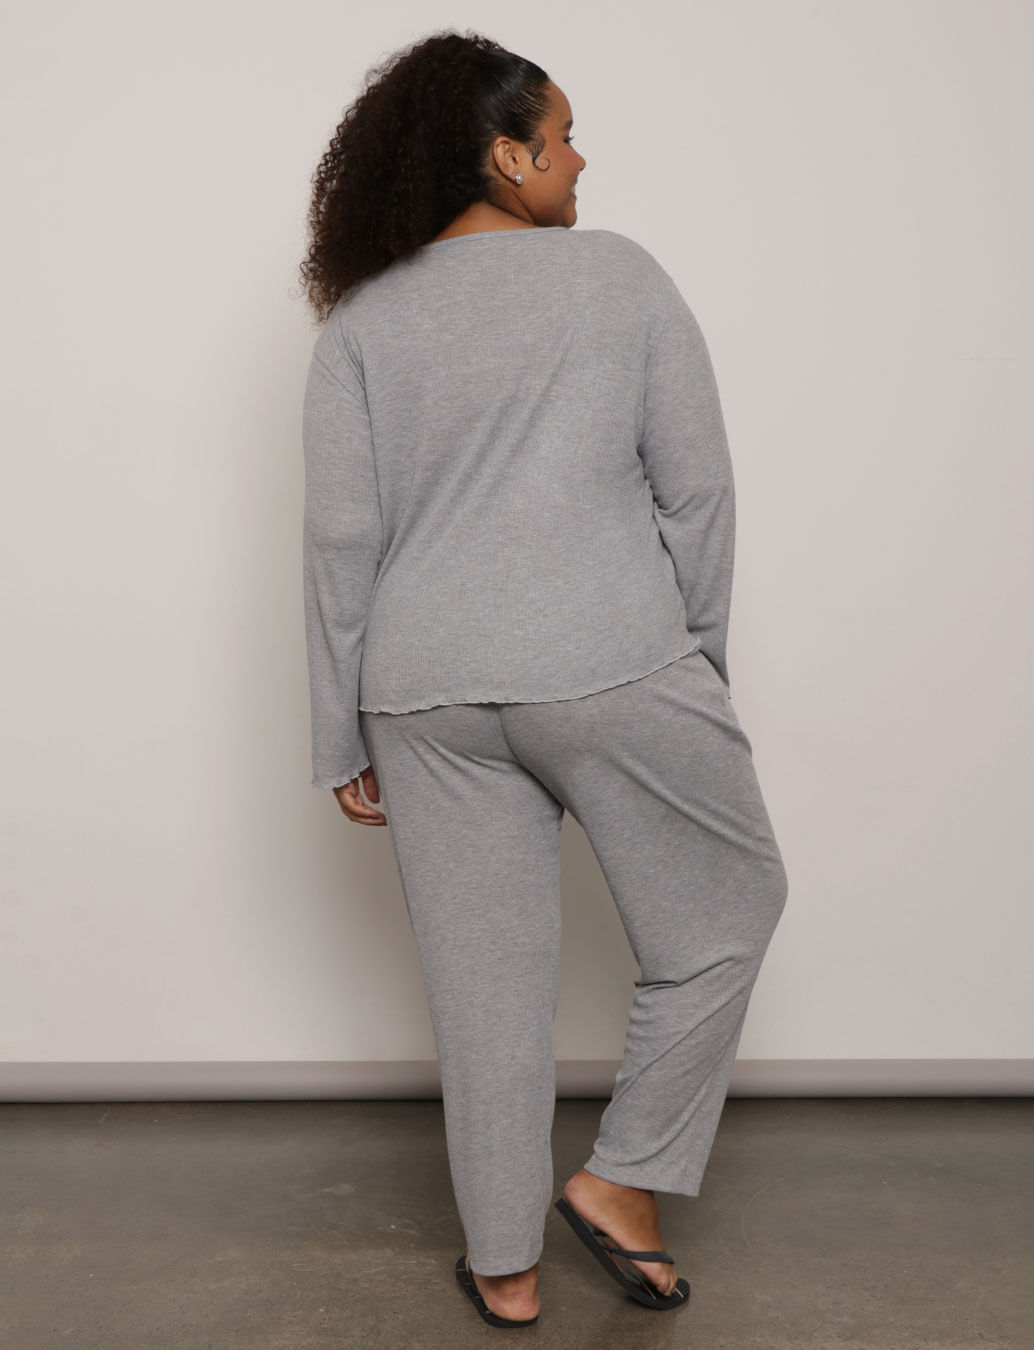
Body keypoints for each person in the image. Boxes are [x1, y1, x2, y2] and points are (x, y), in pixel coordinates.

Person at [298, 27, 788, 1330]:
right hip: (607, 656)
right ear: (507, 159)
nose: (579, 159)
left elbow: (341, 539)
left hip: (421, 691)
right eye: (562, 137)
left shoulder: (363, 321)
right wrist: (697, 663)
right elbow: (699, 493)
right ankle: (621, 1183)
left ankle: (506, 1268)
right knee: (727, 906)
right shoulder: (617, 276)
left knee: (485, 993)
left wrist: (338, 729)